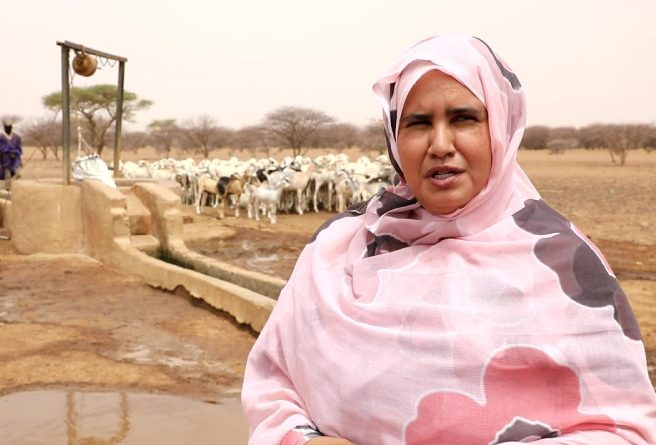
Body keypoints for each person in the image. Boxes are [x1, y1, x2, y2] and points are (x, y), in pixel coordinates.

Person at [241, 34, 656, 445]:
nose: (441, 145)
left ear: (501, 127)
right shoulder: (336, 249)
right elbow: (273, 383)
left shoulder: (561, 260)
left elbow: (626, 431)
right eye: (418, 123)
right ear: (393, 137)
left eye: (463, 119)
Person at [0, 122, 23, 190]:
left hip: (15, 159)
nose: (8, 129)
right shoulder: (0, 137)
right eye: (6, 127)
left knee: (18, 173)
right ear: (4, 128)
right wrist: (2, 150)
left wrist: (16, 154)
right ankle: (8, 190)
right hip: (5, 159)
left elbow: (19, 148)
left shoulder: (16, 137)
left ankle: (19, 189)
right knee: (7, 175)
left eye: (9, 127)